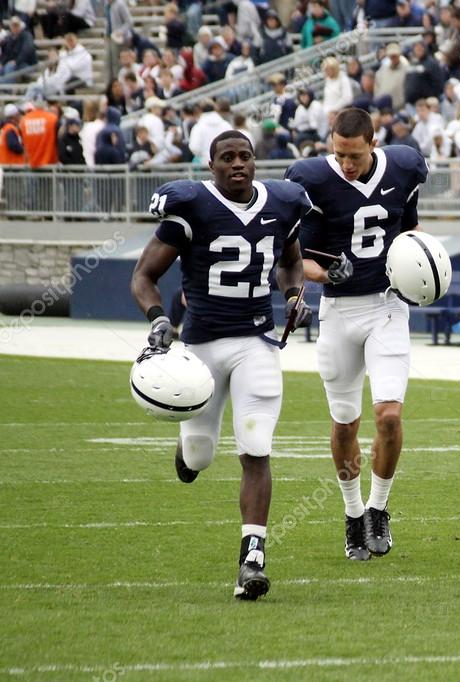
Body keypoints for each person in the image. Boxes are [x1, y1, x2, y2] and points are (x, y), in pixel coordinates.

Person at [130, 130, 313, 600]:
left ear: (256, 162)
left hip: (257, 343)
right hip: (201, 347)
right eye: (227, 157)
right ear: (210, 166)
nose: (237, 164)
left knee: (256, 447)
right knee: (199, 458)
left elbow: (291, 263)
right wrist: (158, 320)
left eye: (245, 156)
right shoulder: (192, 206)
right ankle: (185, 450)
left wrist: (293, 294)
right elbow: (145, 276)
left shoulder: (284, 203)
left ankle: (252, 557)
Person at [284, 108, 428, 562]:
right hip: (339, 312)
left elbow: (410, 230)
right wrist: (326, 273)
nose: (346, 163)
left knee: (388, 417)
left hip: (387, 305)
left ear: (373, 142)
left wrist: (423, 267)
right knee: (345, 423)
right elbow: (294, 259)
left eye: (355, 154)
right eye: (338, 153)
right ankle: (351, 515)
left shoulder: (404, 167)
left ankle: (378, 509)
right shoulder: (312, 180)